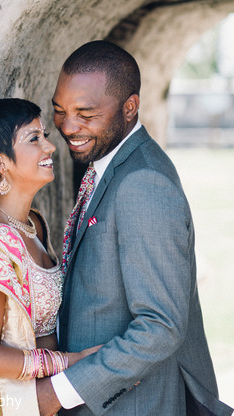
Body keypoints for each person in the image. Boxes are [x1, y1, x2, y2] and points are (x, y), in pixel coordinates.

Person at [36, 40, 233, 416]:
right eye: (59, 110)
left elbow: (161, 326)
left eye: (85, 113)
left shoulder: (143, 182)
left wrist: (60, 392)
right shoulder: (110, 161)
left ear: (130, 108)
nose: (68, 126)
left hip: (137, 404)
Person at [0, 98, 99, 416]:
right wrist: (71, 364)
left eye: (44, 135)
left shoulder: (33, 225)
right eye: (34, 139)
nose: (50, 147)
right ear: (0, 161)